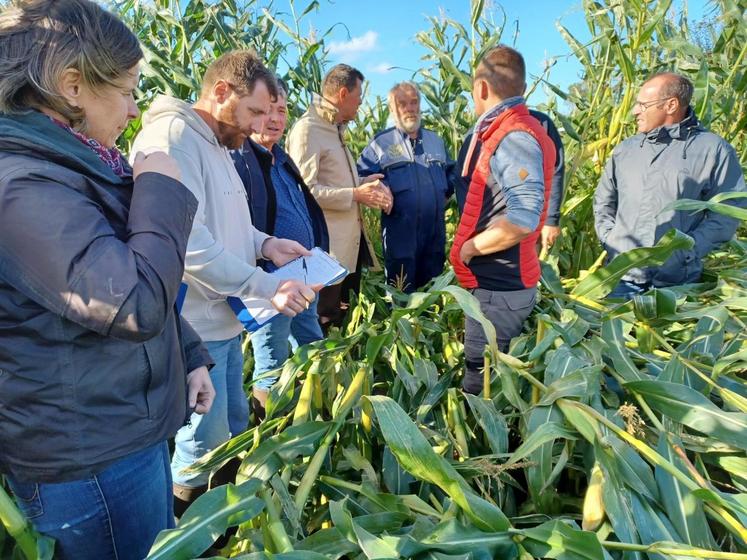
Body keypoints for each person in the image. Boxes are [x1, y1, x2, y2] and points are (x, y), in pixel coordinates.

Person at [0, 1, 215, 558]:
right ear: (72, 85)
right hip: (91, 461)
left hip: (122, 431)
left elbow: (137, 273)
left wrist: (189, 353)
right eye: (126, 90)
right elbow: (133, 302)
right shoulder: (22, 185)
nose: (134, 106)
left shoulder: (79, 163)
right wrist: (160, 187)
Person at [131, 50, 318, 513]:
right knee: (203, 445)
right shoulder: (175, 139)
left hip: (225, 323)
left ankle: (223, 519)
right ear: (219, 93)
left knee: (232, 428)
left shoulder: (215, 145)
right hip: (196, 328)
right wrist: (265, 284)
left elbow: (226, 223)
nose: (259, 125)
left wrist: (266, 243)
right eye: (254, 111)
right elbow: (189, 245)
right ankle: (195, 533)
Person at [450, 45, 556, 395]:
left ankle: (484, 441)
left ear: (481, 88)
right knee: (491, 372)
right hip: (495, 285)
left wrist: (470, 247)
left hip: (500, 287)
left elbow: (523, 218)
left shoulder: (514, 136)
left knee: (483, 382)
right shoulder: (504, 130)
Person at [594, 72, 746, 299]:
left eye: (643, 105)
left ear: (671, 105)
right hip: (620, 276)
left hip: (677, 283)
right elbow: (604, 201)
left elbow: (728, 212)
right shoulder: (626, 150)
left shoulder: (714, 150)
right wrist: (611, 240)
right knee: (611, 333)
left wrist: (687, 252)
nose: (635, 111)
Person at [231, 77, 329, 414]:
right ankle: (269, 432)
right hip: (270, 285)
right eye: (267, 110)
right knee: (271, 362)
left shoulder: (281, 159)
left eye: (282, 111)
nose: (275, 119)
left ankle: (314, 413)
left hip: (301, 277)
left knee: (313, 346)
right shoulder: (241, 161)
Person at [287, 64, 392, 328]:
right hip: (327, 252)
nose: (359, 106)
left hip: (347, 248)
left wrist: (363, 182)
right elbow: (305, 191)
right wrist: (356, 193)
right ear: (343, 94)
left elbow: (332, 179)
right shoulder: (308, 130)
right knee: (325, 319)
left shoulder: (335, 127)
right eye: (358, 98)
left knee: (343, 317)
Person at [357, 82, 454, 292]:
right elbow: (360, 176)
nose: (409, 108)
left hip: (434, 236)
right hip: (400, 236)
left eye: (414, 102)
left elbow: (451, 176)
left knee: (432, 293)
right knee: (401, 295)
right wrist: (377, 189)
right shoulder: (380, 144)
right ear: (392, 109)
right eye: (402, 104)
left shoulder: (436, 141)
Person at [456, 113, 565, 255]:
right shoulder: (475, 133)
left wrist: (551, 220)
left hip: (528, 227)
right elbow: (464, 184)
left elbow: (555, 169)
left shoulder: (541, 123)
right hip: (488, 230)